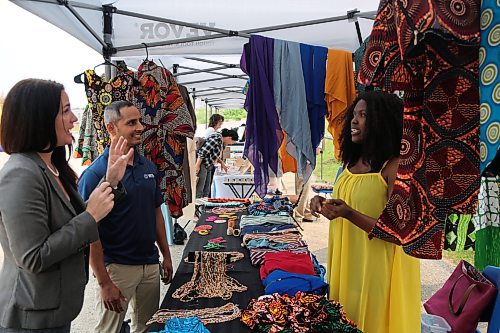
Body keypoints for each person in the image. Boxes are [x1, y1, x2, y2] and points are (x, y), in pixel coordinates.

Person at [0, 79, 130, 332]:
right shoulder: (21, 173)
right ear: (38, 119)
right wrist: (90, 216)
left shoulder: (53, 167)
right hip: (30, 317)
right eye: (65, 110)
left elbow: (81, 217)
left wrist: (111, 182)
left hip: (53, 310)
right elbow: (33, 257)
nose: (74, 119)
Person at [310, 91, 420, 332]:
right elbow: (347, 201)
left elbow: (398, 232)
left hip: (377, 267)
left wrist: (349, 213)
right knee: (346, 317)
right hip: (348, 260)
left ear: (383, 122)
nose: (354, 121)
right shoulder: (351, 162)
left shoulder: (396, 167)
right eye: (354, 114)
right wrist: (320, 203)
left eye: (363, 116)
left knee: (371, 323)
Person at [78, 101, 174, 333]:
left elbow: (156, 213)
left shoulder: (147, 166)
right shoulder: (95, 174)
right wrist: (104, 282)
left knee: (147, 327)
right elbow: (88, 230)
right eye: (131, 123)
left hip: (149, 264)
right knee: (109, 329)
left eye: (140, 121)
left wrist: (166, 256)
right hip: (118, 268)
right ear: (111, 128)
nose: (140, 127)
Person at [195, 129, 238, 198]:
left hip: (208, 165)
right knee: (200, 189)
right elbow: (203, 152)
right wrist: (197, 166)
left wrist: (222, 163)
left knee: (207, 189)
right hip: (203, 164)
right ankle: (197, 207)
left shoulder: (220, 141)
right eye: (232, 142)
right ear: (229, 138)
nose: (230, 144)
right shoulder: (216, 139)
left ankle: (203, 206)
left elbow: (213, 154)